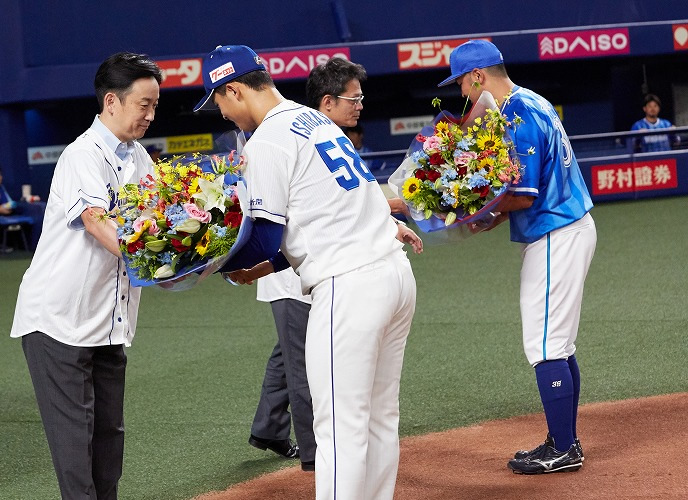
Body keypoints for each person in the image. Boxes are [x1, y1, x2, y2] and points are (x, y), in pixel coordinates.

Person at [195, 45, 418, 500]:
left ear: (234, 89)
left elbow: (264, 236)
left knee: (338, 425)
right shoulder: (312, 119)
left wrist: (212, 267)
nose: (220, 112)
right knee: (378, 417)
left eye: (218, 100)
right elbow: (314, 222)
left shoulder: (268, 140)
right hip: (393, 276)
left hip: (350, 287)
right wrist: (258, 269)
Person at [439, 39, 596, 474]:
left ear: (478, 76)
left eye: (462, 85)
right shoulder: (532, 100)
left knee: (545, 345)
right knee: (558, 342)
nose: (463, 96)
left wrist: (464, 208)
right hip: (566, 228)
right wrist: (487, 215)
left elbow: (524, 195)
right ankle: (563, 440)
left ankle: (564, 449)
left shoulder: (516, 113)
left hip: (556, 233)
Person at [10, 52, 162, 499]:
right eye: (144, 105)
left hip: (108, 319)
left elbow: (164, 222)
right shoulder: (82, 154)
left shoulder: (139, 159)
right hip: (58, 320)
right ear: (111, 101)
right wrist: (157, 262)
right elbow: (97, 223)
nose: (151, 114)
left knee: (108, 434)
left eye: (156, 105)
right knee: (75, 440)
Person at [248, 56, 376, 472]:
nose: (359, 106)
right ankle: (315, 455)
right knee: (305, 365)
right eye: (351, 99)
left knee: (289, 356)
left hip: (307, 267)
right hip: (295, 272)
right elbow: (268, 224)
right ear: (326, 102)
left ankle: (268, 428)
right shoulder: (275, 135)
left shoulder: (294, 129)